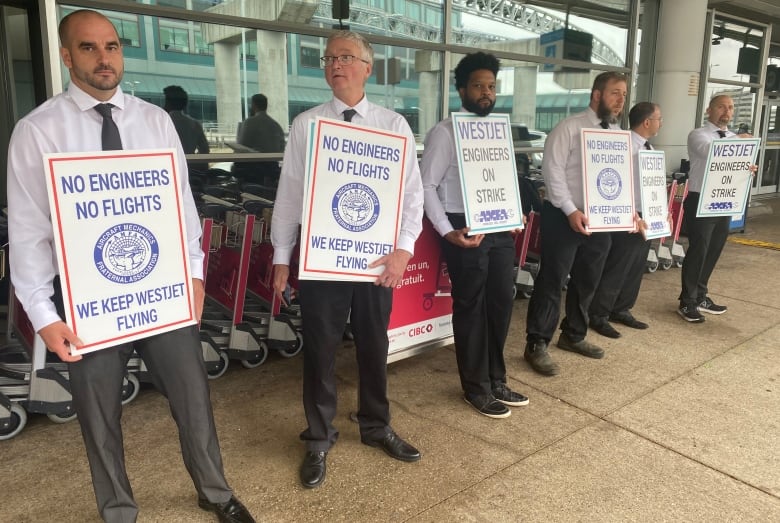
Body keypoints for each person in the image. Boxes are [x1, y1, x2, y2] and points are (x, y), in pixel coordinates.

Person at [6, 10, 254, 523]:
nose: (104, 58)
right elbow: (29, 231)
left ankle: (216, 492)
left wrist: (195, 273)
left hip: (163, 293)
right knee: (99, 418)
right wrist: (42, 313)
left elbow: (180, 205)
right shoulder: (37, 132)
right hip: (85, 303)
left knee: (193, 400)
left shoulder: (153, 120)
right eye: (90, 47)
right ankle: (118, 510)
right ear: (66, 55)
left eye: (112, 46)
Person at [271, 30, 423, 489]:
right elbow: (290, 195)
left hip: (377, 263)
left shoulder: (393, 125)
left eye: (346, 57)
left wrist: (403, 249)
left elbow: (411, 196)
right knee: (319, 349)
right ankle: (318, 435)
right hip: (322, 262)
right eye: (329, 58)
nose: (335, 64)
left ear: (367, 68)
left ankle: (376, 426)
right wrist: (282, 256)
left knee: (375, 346)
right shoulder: (307, 125)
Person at [420, 52, 528, 419]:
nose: (486, 92)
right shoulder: (444, 132)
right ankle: (475, 388)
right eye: (479, 85)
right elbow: (426, 185)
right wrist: (447, 231)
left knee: (501, 303)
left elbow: (499, 177)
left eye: (492, 86)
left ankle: (496, 379)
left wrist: (512, 213)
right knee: (471, 307)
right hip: (463, 226)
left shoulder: (497, 130)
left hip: (498, 225)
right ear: (462, 89)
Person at [524, 72, 627, 376]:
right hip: (564, 215)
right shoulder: (569, 128)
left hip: (600, 218)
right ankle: (537, 343)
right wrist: (570, 210)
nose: (620, 100)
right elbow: (552, 174)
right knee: (553, 280)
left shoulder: (616, 133)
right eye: (615, 93)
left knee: (588, 279)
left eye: (623, 94)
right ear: (596, 95)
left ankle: (573, 335)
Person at [589, 102, 662, 338]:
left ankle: (622, 308)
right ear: (647, 122)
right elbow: (616, 183)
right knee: (618, 266)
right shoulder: (624, 145)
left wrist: (660, 211)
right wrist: (631, 214)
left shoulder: (649, 148)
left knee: (635, 266)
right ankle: (599, 314)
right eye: (659, 118)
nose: (661, 123)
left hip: (646, 214)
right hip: (628, 216)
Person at [678, 95, 751, 322]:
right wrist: (740, 143)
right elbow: (713, 152)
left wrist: (748, 167)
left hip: (724, 199)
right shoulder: (698, 135)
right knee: (699, 249)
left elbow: (734, 162)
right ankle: (687, 301)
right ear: (710, 109)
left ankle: (700, 294)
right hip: (701, 199)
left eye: (730, 107)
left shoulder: (732, 137)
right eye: (721, 107)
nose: (726, 112)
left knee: (714, 249)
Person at [234, 93, 286, 186]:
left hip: (253, 170)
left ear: (253, 105)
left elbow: (241, 146)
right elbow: (282, 148)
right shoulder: (276, 125)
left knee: (236, 168)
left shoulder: (249, 122)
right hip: (272, 168)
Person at [163, 84, 210, 173]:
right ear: (185, 105)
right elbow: (205, 150)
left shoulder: (161, 123)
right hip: (190, 171)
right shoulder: (195, 124)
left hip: (167, 171)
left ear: (167, 103)